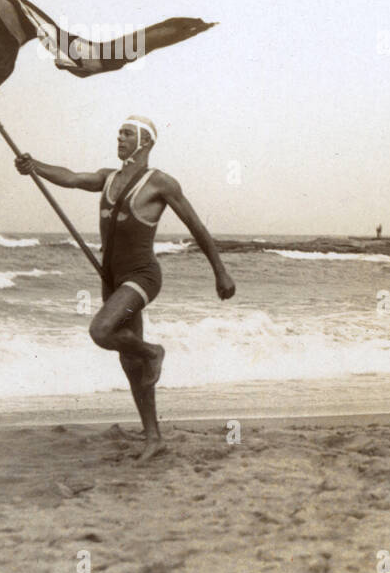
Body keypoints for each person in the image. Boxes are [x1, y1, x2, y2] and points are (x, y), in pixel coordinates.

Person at [15, 116, 236, 462]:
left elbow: (197, 228)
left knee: (101, 330)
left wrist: (220, 273)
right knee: (128, 360)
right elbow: (71, 178)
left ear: (145, 142)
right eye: (119, 131)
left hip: (143, 277)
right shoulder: (108, 178)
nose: (119, 136)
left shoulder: (160, 183)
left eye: (127, 133)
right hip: (111, 279)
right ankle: (154, 437)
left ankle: (153, 352)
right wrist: (35, 167)